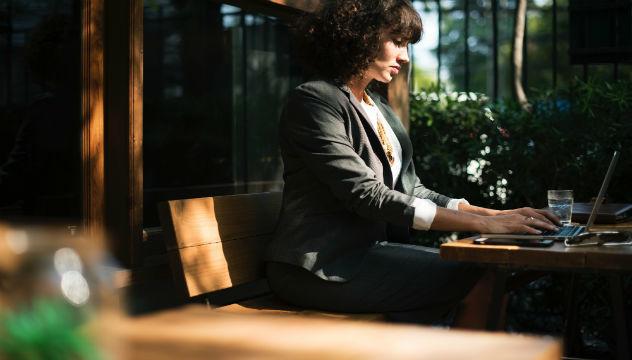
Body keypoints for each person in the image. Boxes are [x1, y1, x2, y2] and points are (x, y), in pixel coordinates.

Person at [265, 0, 560, 327]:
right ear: (360, 35)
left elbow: (411, 188)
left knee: (486, 271)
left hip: (367, 255)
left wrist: (495, 215)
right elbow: (367, 195)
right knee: (478, 276)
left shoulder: (376, 106)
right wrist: (485, 226)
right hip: (318, 269)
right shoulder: (316, 101)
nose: (404, 57)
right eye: (398, 41)